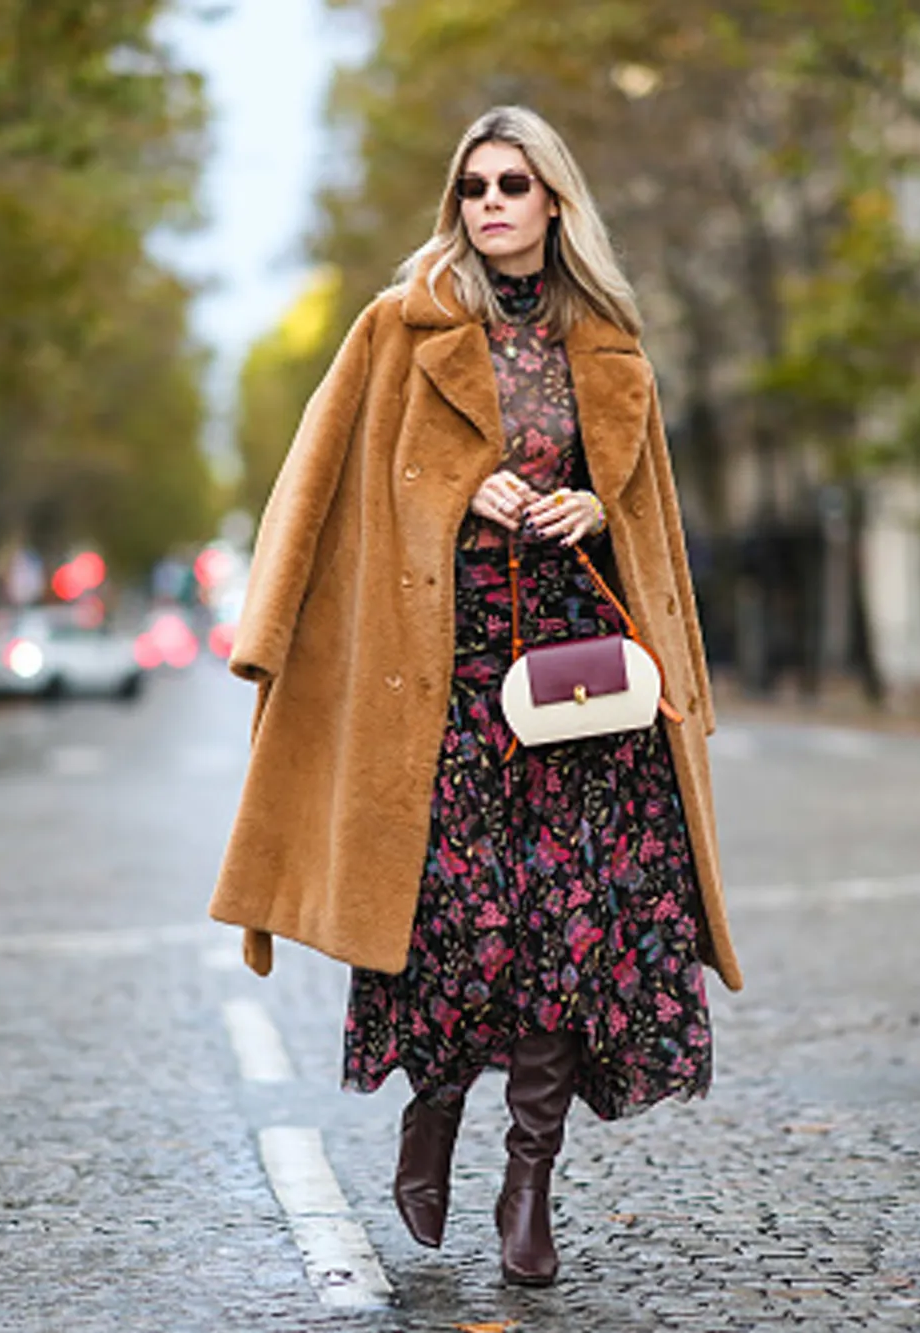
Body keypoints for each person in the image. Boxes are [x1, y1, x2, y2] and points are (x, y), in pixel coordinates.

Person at [209, 105, 741, 1286]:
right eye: (472, 186)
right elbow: (329, 482)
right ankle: (432, 1110)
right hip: (445, 678)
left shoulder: (607, 342)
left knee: (571, 930)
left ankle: (529, 1176)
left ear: (554, 202)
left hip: (584, 684)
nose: (490, 203)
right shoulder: (399, 330)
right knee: (453, 924)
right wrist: (465, 494)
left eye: (513, 184)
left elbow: (644, 515)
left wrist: (590, 507)